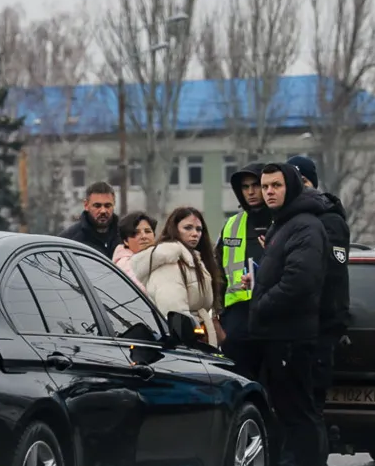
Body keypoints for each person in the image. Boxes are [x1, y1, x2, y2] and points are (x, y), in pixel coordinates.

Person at [244, 162, 330, 466]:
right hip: (282, 334)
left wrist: (262, 303)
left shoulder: (305, 225)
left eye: (276, 185)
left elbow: (300, 280)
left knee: (299, 417)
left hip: (291, 337)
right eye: (265, 186)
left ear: (290, 186)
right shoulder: (286, 223)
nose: (268, 192)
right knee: (298, 415)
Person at [281, 154, 350, 466]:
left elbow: (329, 281)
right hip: (311, 328)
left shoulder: (326, 221)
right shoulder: (307, 219)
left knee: (308, 410)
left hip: (317, 330)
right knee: (304, 409)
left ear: (305, 181)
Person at [129, 206, 224, 347]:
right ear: (174, 229)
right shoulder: (169, 263)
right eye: (188, 228)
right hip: (184, 346)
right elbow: (175, 315)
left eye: (199, 229)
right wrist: (194, 338)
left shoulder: (195, 260)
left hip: (198, 340)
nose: (195, 234)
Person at [215, 162, 272, 381]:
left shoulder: (283, 222)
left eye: (255, 185)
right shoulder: (232, 224)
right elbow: (217, 270)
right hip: (237, 320)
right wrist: (218, 316)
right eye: (245, 187)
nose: (250, 192)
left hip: (271, 314)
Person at [59, 182, 121, 257]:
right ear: (86, 205)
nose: (103, 211)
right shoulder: (69, 240)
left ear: (114, 204)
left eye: (107, 205)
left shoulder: (127, 235)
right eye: (97, 206)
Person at [112, 211, 157, 289]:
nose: (144, 236)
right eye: (136, 233)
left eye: (148, 231)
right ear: (126, 241)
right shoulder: (125, 265)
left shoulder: (159, 258)